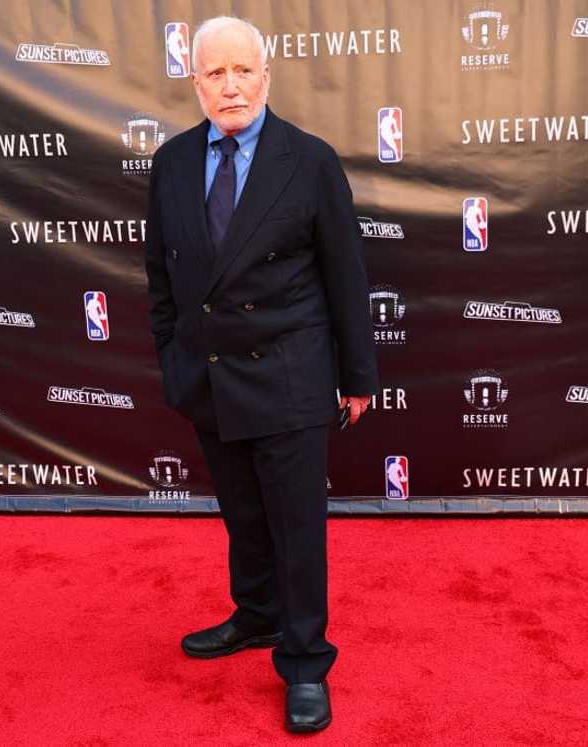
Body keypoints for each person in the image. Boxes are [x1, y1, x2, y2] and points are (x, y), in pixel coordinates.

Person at [142, 15, 378, 734]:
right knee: (242, 514)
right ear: (196, 82)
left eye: (243, 70)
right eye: (215, 73)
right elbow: (161, 273)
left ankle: (305, 660)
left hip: (290, 375)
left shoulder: (309, 161)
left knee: (298, 527)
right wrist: (173, 353)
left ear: (267, 76)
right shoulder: (173, 163)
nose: (231, 85)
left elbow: (347, 275)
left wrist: (358, 374)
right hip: (210, 376)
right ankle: (257, 616)